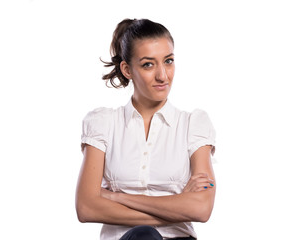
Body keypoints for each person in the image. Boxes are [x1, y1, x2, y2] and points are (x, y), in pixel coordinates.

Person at [76, 18, 216, 240]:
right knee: (145, 235)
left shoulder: (193, 124)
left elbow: (201, 209)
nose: (163, 75)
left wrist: (115, 197)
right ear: (127, 69)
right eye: (148, 64)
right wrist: (177, 208)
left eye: (168, 61)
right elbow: (86, 207)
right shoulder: (104, 123)